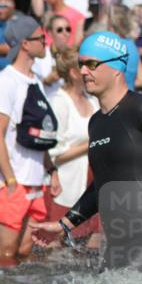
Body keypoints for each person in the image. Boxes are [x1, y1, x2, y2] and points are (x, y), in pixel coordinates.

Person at [31, 31, 142, 278]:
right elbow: (102, 186)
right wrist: (64, 224)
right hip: (118, 244)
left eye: (92, 64)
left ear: (116, 68)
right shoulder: (97, 123)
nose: (83, 71)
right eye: (81, 64)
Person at [0, 15, 60, 261]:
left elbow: (39, 133)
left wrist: (51, 169)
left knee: (26, 254)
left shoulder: (35, 80)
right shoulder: (4, 82)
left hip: (36, 180)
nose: (46, 42)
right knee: (5, 256)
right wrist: (10, 180)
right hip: (11, 181)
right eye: (41, 37)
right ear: (25, 44)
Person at [41, 46, 100, 246]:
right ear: (75, 73)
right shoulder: (58, 102)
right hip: (66, 186)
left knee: (94, 247)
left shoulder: (92, 100)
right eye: (86, 66)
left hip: (92, 183)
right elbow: (53, 155)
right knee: (56, 249)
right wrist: (91, 144)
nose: (91, 71)